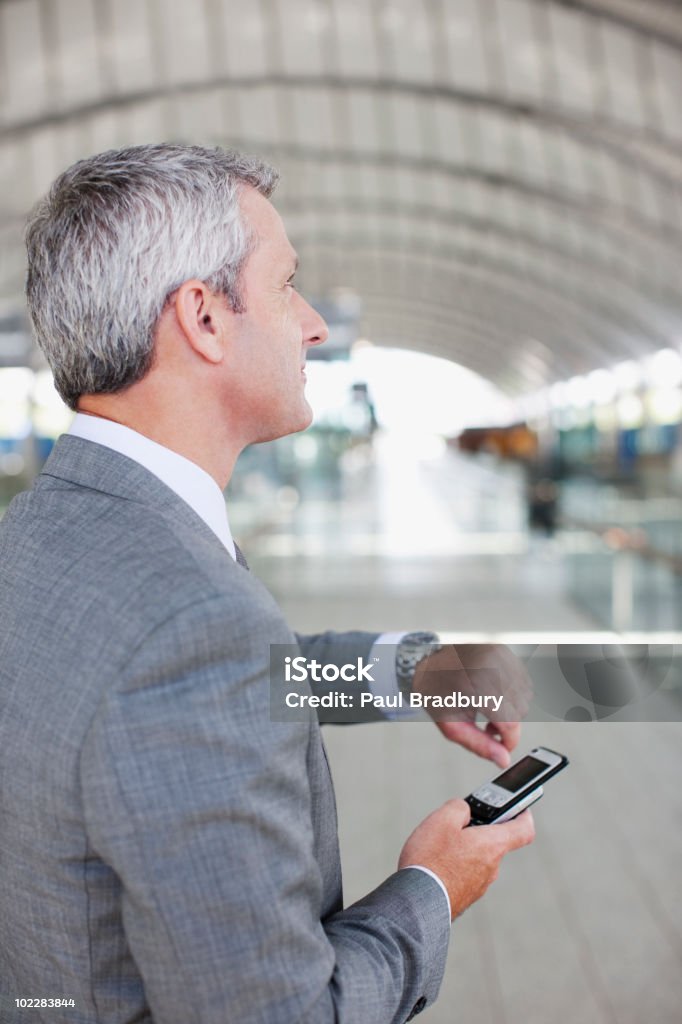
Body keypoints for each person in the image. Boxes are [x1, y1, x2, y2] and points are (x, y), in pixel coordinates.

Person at [0, 144, 534, 1024]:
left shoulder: (48, 530)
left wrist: (411, 671)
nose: (314, 323)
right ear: (204, 318)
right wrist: (434, 887)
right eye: (287, 285)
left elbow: (201, 686)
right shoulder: (186, 615)